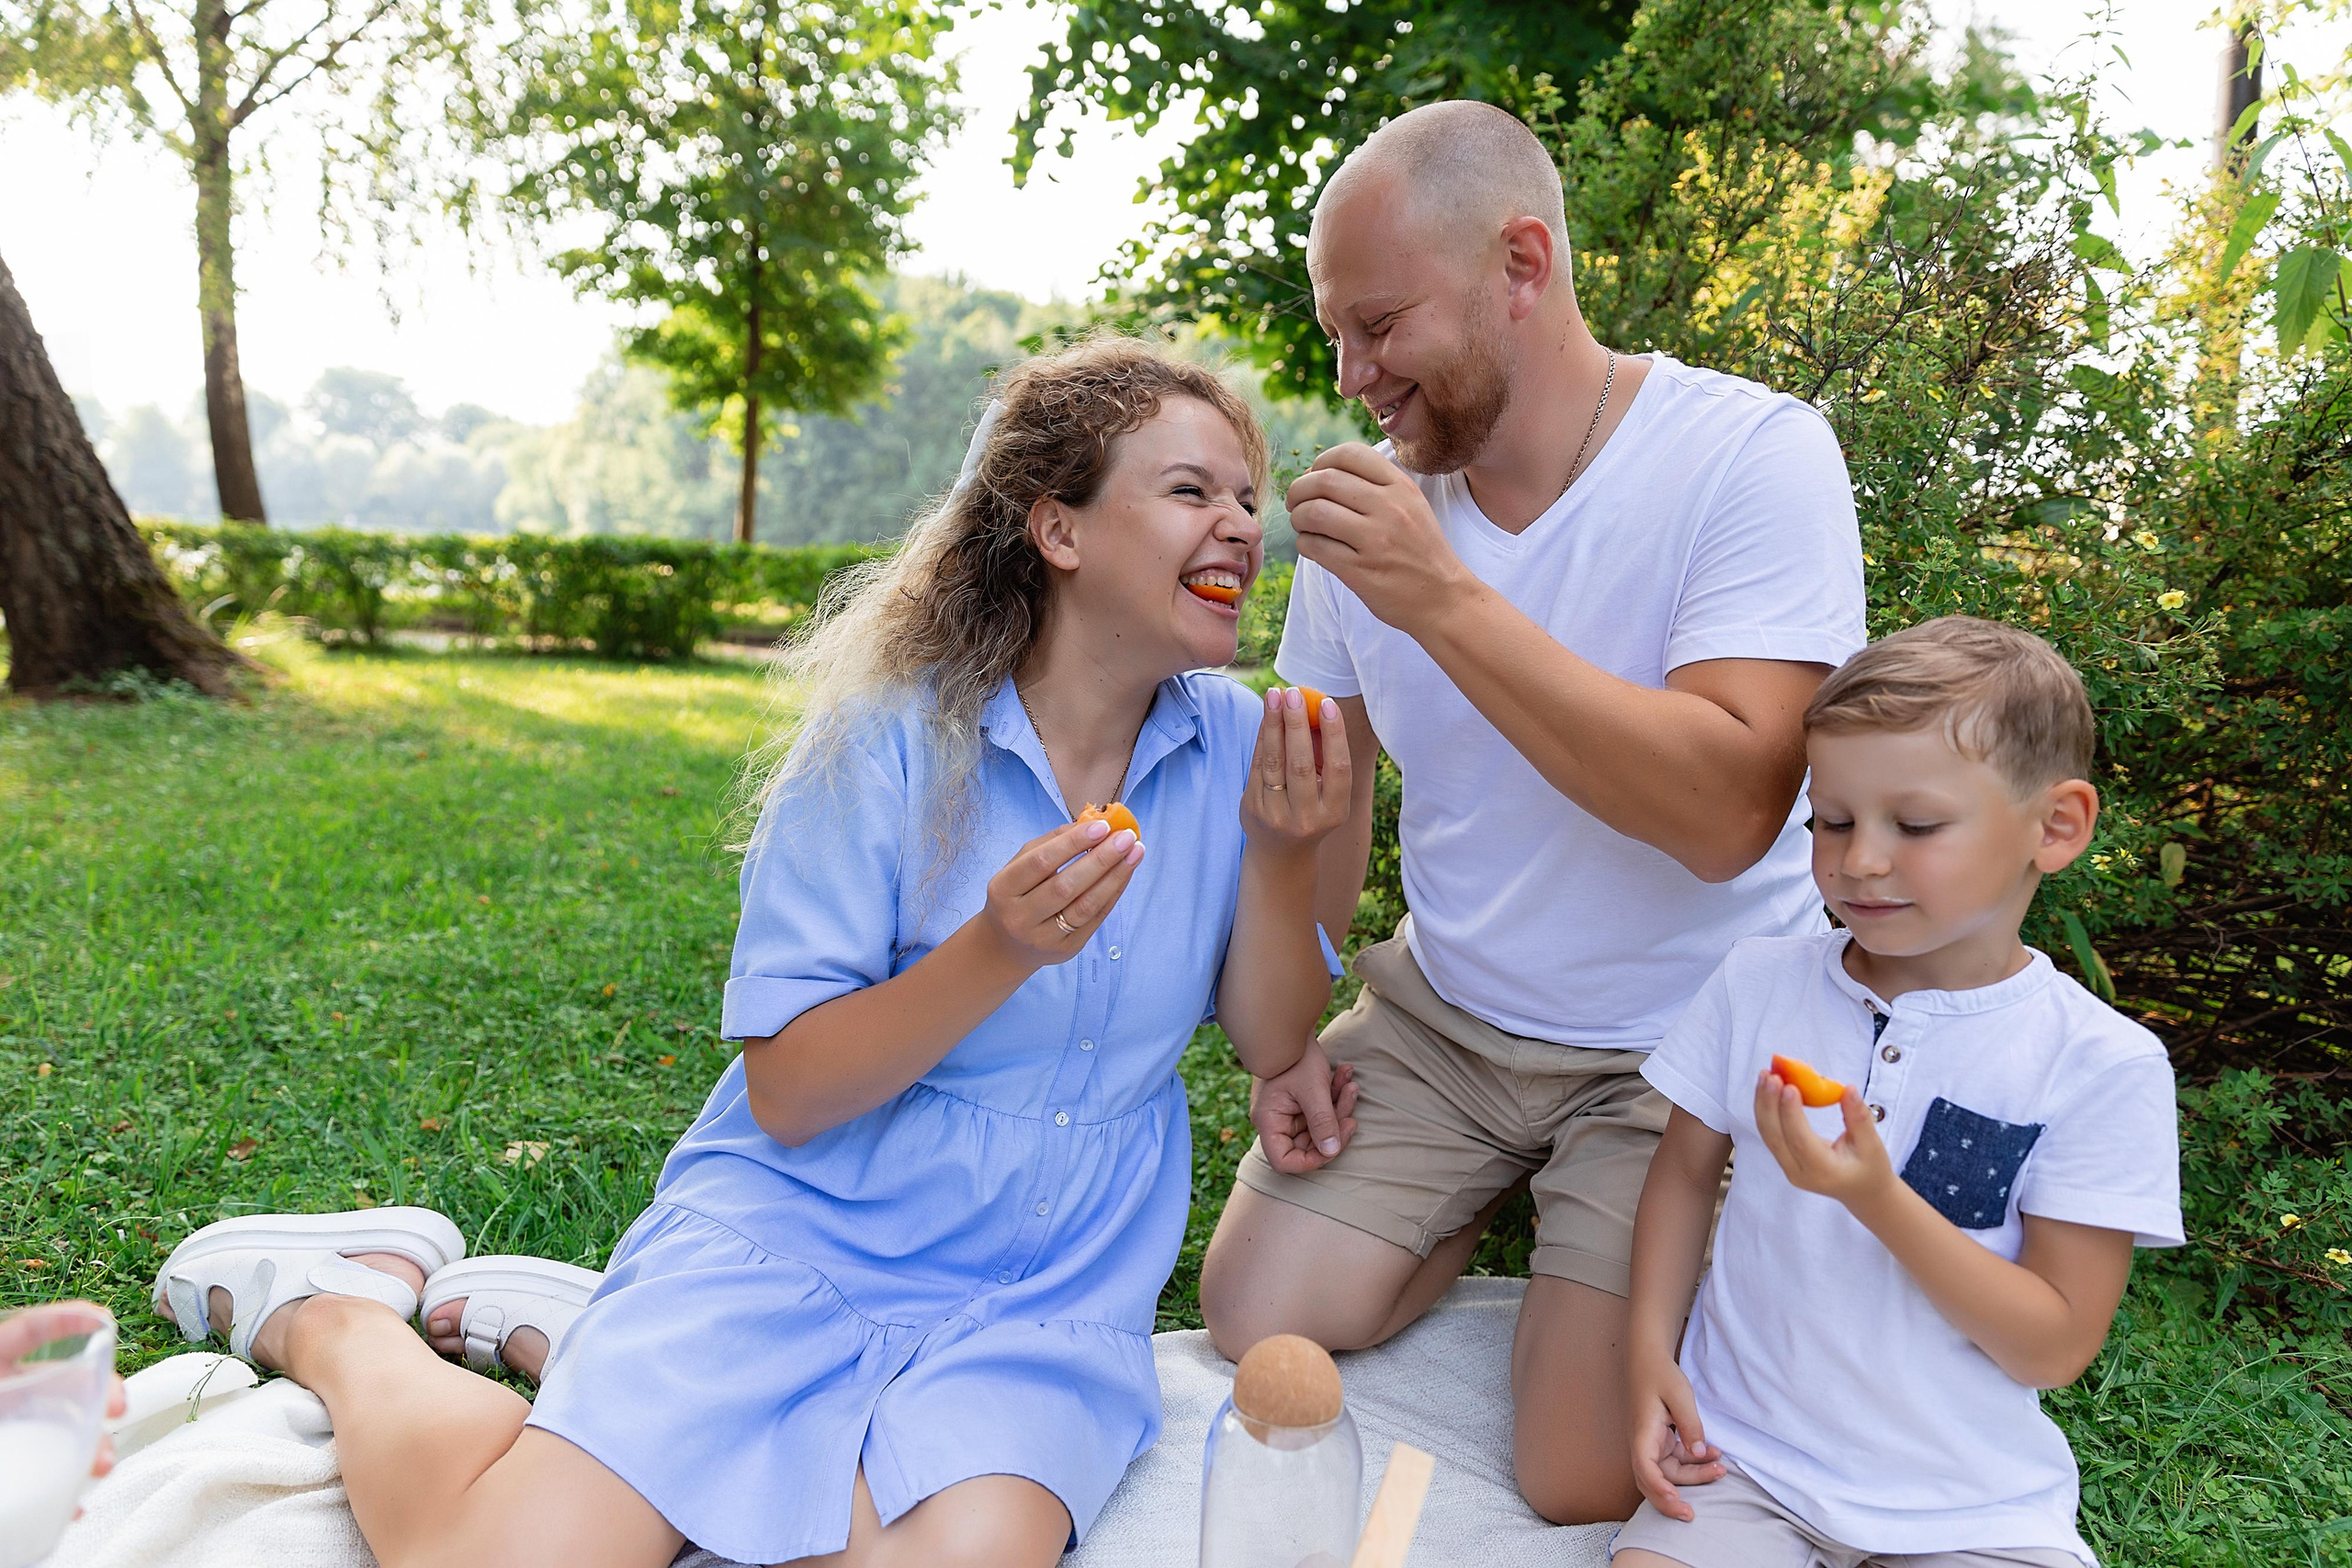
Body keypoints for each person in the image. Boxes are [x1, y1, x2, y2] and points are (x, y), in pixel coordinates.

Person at [144, 338, 1354, 1568]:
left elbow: (1268, 1037)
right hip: (806, 1230)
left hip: (1038, 1297)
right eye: (1193, 491)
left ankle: (582, 1350)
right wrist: (995, 947)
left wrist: (1280, 851)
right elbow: (787, 1089)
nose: (1241, 526)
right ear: (1060, 529)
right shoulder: (888, 740)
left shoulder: (1242, 745)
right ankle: (338, 1314)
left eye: (1249, 498)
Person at [1198, 100, 1866, 1520]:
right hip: (1449, 1017)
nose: (1353, 373)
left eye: (1379, 324)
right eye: (1334, 334)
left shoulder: (1752, 456)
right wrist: (1292, 1027)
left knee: (1575, 1472)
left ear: (1523, 260)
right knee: (1260, 1309)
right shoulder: (1365, 524)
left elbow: (1728, 810)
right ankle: (1488, 1198)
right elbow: (1317, 859)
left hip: (1687, 1038)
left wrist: (1444, 599)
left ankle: (1597, 1216)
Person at [1616, 616, 2182, 1568]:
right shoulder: (1759, 982)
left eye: (1914, 826)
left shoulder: (2098, 1065)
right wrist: (1647, 1355)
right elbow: (1679, 1176)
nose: (1858, 860)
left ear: (2056, 826)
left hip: (1969, 1508)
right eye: (1830, 822)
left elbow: (2051, 1348)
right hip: (1745, 1466)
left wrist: (1875, 1198)